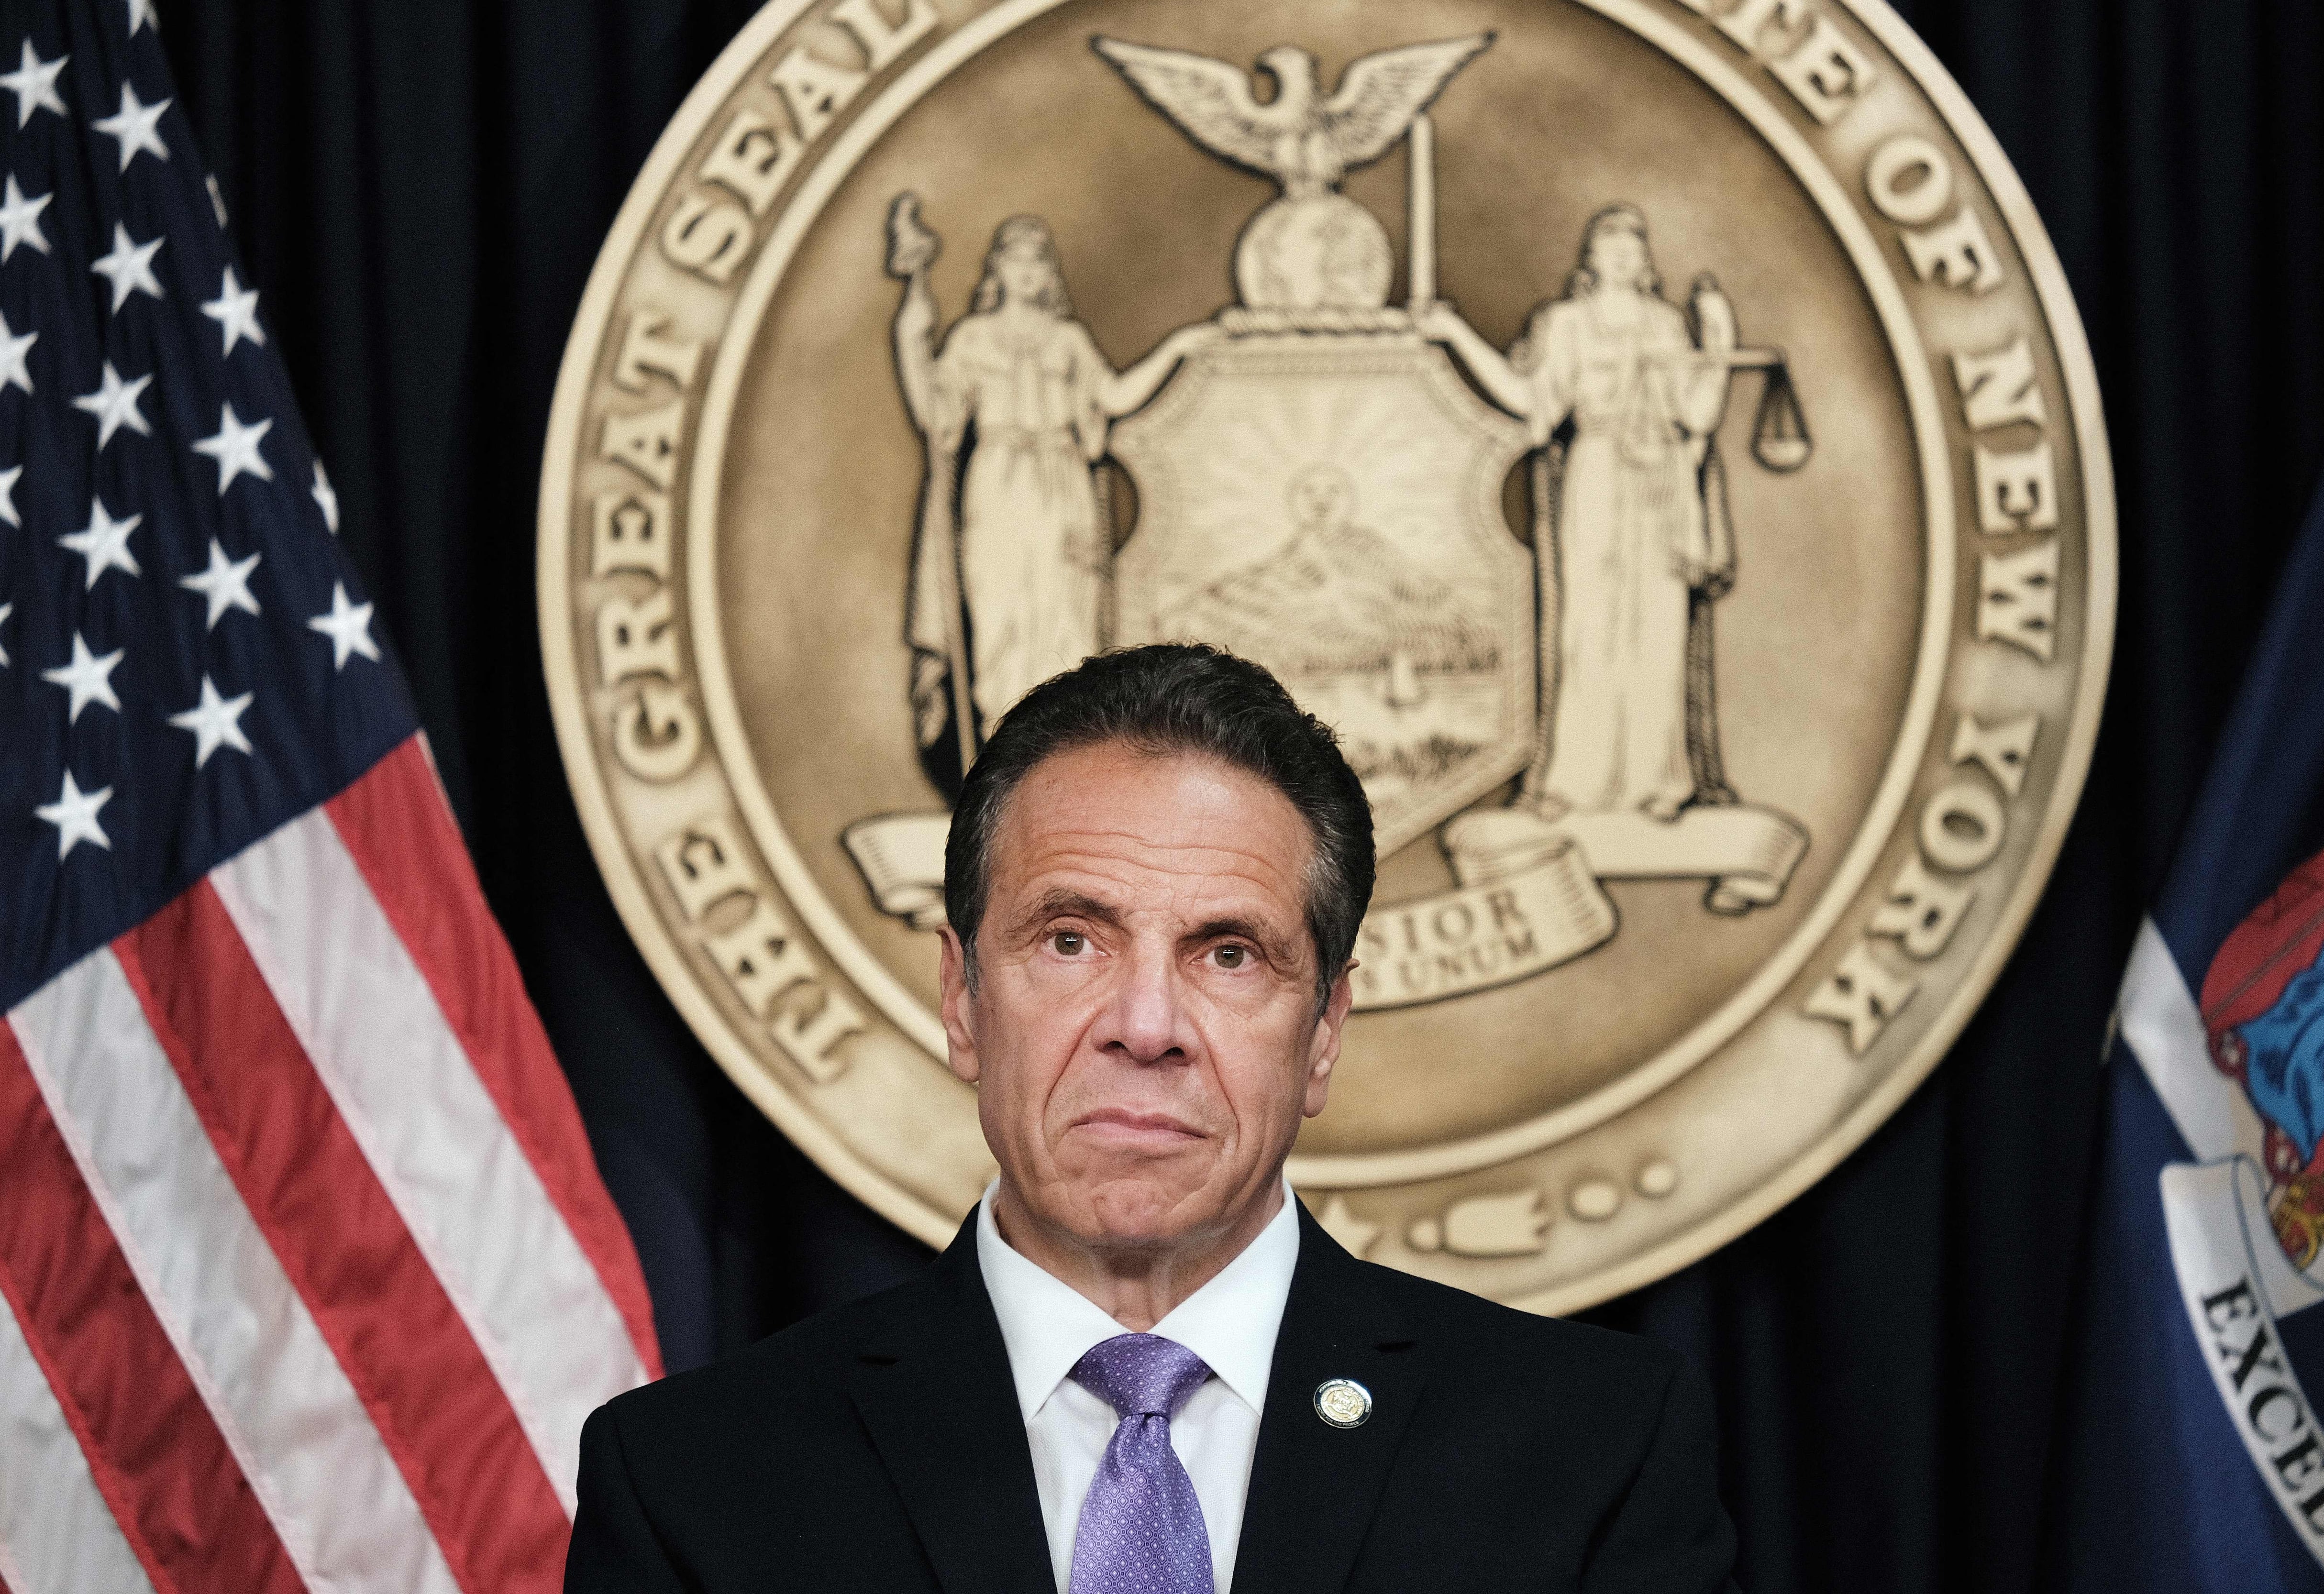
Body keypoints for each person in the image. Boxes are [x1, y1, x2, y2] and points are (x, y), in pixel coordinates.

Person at [564, 645, 1740, 1593]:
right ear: (962, 996)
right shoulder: (695, 1483)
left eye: (1228, 954)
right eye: (1071, 939)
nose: (1144, 1023)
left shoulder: (1592, 1455)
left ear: (1324, 1028)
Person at [1418, 204, 1731, 821]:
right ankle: (1577, 782)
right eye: (1608, 243)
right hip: (1597, 474)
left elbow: (1696, 414)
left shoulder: (1666, 326)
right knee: (1588, 628)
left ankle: (1656, 782)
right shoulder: (1564, 325)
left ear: (1644, 261)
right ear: (1589, 258)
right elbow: (1529, 400)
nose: (1621, 254)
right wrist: (1455, 336)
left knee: (1656, 628)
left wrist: (1716, 343)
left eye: (1632, 245)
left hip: (1660, 485)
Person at [892, 214, 1219, 736]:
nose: (1026, 271)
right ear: (996, 268)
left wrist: (1175, 348)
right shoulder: (973, 338)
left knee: (1066, 621)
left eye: (1037, 261)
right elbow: (937, 418)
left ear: (1049, 275)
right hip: (997, 486)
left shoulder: (1067, 340)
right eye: (1015, 259)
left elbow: (1112, 398)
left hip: (1063, 490)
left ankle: (1060, 751)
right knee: (1000, 618)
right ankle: (1000, 743)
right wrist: (911, 339)